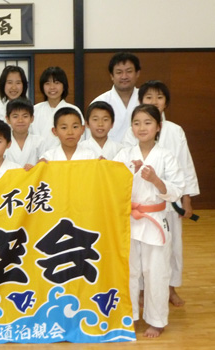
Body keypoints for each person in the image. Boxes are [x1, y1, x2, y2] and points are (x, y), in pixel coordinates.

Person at [122, 81, 200, 306]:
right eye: (149, 98)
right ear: (140, 101)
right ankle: (144, 291)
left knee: (172, 247)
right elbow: (125, 163)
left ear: (166, 102)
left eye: (159, 97)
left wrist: (187, 199)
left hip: (168, 201)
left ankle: (170, 288)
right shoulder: (132, 132)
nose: (154, 101)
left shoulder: (175, 130)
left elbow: (185, 166)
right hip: (141, 203)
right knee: (139, 254)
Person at [113, 104, 185, 338]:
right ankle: (130, 316)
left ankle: (157, 320)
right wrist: (125, 172)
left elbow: (176, 191)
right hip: (129, 221)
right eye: (137, 123)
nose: (141, 127)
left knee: (156, 272)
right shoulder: (124, 155)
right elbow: (111, 185)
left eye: (147, 122)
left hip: (154, 220)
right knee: (130, 272)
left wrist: (156, 180)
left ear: (158, 127)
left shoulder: (166, 156)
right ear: (131, 127)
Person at [91, 52, 141, 143]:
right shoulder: (100, 102)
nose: (124, 76)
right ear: (111, 76)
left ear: (137, 73)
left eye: (129, 71)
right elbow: (91, 139)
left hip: (141, 155)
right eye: (119, 72)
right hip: (108, 156)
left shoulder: (148, 100)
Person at [33, 67, 84, 149]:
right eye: (47, 83)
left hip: (66, 159)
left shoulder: (73, 110)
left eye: (56, 83)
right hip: (39, 159)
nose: (52, 87)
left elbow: (80, 138)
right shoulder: (34, 110)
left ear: (64, 86)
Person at [4, 98, 48, 168]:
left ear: (32, 118)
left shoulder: (39, 142)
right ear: (8, 119)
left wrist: (35, 168)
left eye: (25, 116)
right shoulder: (2, 142)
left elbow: (44, 167)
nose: (20, 120)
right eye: (15, 116)